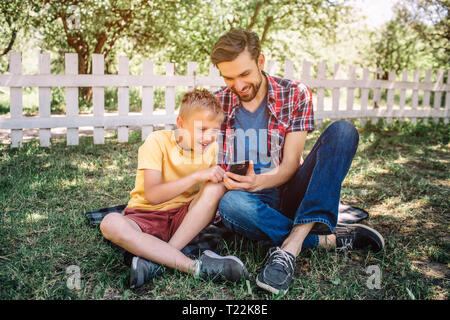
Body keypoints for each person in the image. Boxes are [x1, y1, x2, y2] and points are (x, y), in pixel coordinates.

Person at [211, 29, 385, 295]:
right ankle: (323, 240)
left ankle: (292, 243)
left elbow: (291, 164)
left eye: (244, 74)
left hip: (290, 191)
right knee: (230, 204)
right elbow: (210, 161)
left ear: (260, 62)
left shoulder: (294, 93)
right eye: (228, 77)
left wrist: (259, 181)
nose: (238, 85)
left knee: (343, 132)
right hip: (247, 200)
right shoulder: (218, 102)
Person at [100, 89, 248, 289]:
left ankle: (158, 259)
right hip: (145, 216)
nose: (209, 137)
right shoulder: (157, 141)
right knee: (110, 223)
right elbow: (152, 195)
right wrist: (196, 176)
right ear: (181, 124)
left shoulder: (211, 149)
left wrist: (229, 180)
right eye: (202, 129)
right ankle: (192, 266)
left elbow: (206, 197)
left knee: (216, 187)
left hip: (183, 220)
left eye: (214, 130)